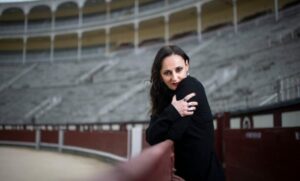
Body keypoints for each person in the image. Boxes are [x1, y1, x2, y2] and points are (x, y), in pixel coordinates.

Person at [146, 45, 225, 181]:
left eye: (179, 69)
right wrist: (174, 110)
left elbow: (173, 134)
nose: (175, 78)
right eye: (167, 73)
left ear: (187, 65)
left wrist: (166, 119)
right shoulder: (164, 95)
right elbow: (151, 136)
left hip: (205, 175)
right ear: (159, 73)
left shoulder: (190, 86)